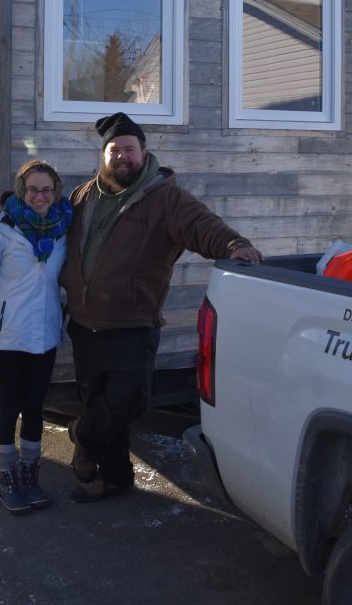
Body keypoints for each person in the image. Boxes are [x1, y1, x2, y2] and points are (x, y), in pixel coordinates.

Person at [60, 112, 262, 503]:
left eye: (129, 149)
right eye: (114, 150)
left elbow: (202, 224)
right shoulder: (84, 195)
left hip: (131, 320)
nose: (122, 157)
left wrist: (234, 244)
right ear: (103, 155)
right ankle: (116, 478)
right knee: (100, 404)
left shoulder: (164, 197)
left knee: (129, 399)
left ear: (144, 152)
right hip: (84, 322)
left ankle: (81, 436)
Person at [0, 160, 73, 515]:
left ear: (55, 191)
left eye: (46, 190)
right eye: (32, 190)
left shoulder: (62, 229)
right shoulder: (0, 231)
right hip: (7, 338)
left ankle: (30, 473)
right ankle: (6, 477)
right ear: (20, 191)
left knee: (34, 409)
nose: (39, 197)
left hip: (42, 338)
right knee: (8, 408)